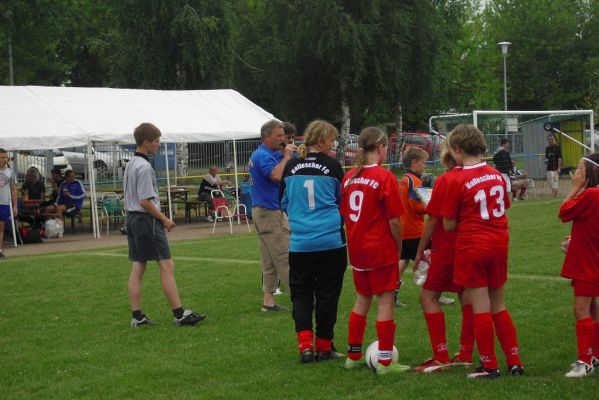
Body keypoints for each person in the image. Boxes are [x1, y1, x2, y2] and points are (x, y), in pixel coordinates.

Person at [441, 124, 524, 379]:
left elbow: (448, 225)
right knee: (498, 304)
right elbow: (505, 205)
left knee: (480, 305)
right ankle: (514, 361)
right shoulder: (497, 174)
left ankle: (489, 365)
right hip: (499, 241)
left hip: (473, 244)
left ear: (457, 149)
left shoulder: (456, 178)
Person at [341, 127, 410, 375]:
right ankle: (385, 361)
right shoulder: (384, 177)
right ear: (381, 148)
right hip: (380, 249)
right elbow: (394, 221)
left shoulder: (349, 176)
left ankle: (352, 356)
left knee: (362, 299)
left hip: (357, 250)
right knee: (385, 301)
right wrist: (398, 247)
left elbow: (345, 214)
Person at [124, 122, 205, 327]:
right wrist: (164, 219)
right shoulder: (144, 166)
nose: (159, 145)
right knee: (166, 265)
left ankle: (137, 317)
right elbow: (144, 200)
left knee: (138, 267)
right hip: (145, 220)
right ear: (146, 142)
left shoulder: (131, 163)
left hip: (132, 219)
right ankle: (180, 315)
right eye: (156, 141)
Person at [280, 120, 347, 363]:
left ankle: (305, 346)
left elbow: (283, 203)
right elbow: (342, 202)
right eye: (331, 140)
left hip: (300, 243)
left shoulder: (291, 166)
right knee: (328, 294)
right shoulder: (333, 166)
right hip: (331, 241)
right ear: (321, 141)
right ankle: (325, 346)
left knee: (301, 294)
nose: (333, 144)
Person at [413, 139, 475, 373]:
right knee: (467, 295)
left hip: (448, 247)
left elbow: (433, 220)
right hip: (471, 245)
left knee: (428, 296)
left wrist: (420, 251)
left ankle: (441, 355)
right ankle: (466, 353)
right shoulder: (479, 175)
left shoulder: (447, 180)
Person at [558, 153, 599, 378]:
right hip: (593, 256)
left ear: (590, 172)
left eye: (580, 168)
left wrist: (574, 188)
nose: (576, 172)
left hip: (588, 261)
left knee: (580, 309)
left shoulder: (590, 194)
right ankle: (596, 353)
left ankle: (584, 361)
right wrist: (576, 239)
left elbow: (563, 212)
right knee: (592, 306)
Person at [249, 119, 296, 312]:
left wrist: (287, 156)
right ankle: (301, 298)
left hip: (263, 211)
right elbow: (276, 176)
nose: (283, 139)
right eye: (279, 135)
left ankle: (268, 302)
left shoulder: (265, 153)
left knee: (269, 260)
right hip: (270, 211)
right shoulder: (263, 155)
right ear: (266, 136)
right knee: (285, 256)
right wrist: (287, 157)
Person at [396, 147, 428, 307]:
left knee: (403, 260)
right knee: (429, 258)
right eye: (423, 162)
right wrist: (430, 206)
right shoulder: (415, 181)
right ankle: (433, 294)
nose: (425, 165)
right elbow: (415, 205)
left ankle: (392, 292)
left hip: (403, 227)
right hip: (415, 229)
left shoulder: (404, 179)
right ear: (414, 163)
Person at [0, 148, 17, 259]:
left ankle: (0, 250)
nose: (5, 159)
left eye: (6, 157)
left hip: (4, 203)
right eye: (2, 157)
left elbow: (13, 189)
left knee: (1, 228)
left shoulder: (10, 172)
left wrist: (15, 205)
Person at [545, 133, 562, 197]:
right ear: (547, 140)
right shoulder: (547, 148)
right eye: (549, 139)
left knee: (555, 183)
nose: (550, 141)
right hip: (549, 168)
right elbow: (546, 157)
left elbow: (560, 158)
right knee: (551, 183)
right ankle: (554, 196)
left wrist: (559, 168)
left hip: (555, 168)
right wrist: (546, 161)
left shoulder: (557, 147)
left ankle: (554, 196)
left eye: (552, 139)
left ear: (554, 139)